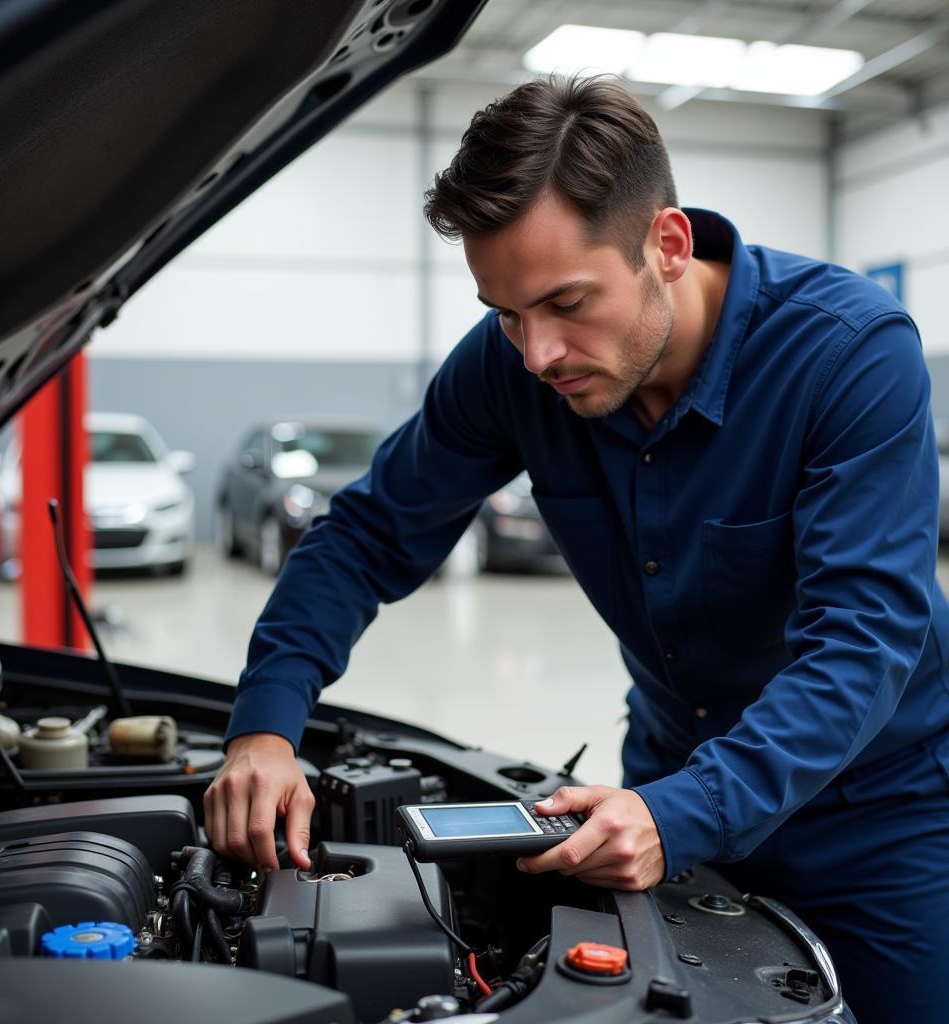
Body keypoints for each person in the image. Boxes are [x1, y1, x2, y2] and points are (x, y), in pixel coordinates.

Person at [204, 75, 949, 1022]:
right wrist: (266, 726)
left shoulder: (848, 354)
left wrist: (680, 816)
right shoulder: (510, 367)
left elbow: (863, 640)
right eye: (506, 312)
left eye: (564, 302)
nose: (536, 354)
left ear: (666, 246)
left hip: (873, 814)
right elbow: (364, 534)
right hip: (667, 780)